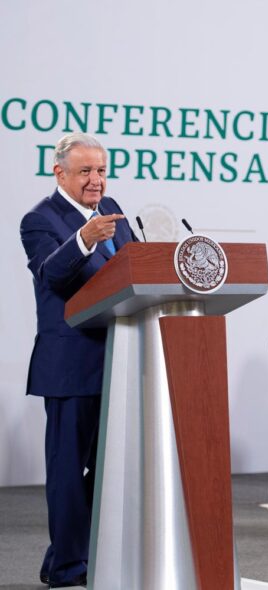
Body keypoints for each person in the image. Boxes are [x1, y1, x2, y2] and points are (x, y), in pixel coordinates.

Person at [20, 132, 137, 587]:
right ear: (60, 173)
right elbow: (51, 274)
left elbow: (131, 273)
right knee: (69, 471)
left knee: (106, 470)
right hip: (70, 365)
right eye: (86, 171)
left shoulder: (114, 212)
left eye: (101, 170)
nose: (96, 180)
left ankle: (68, 556)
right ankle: (69, 567)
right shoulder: (40, 219)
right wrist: (84, 239)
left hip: (119, 359)